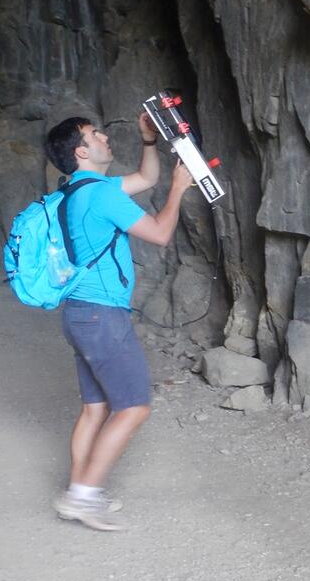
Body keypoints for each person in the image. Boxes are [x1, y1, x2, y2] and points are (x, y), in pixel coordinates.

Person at [43, 112, 196, 531]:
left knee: (96, 408)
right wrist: (179, 189)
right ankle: (84, 496)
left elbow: (145, 179)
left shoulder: (81, 188)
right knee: (133, 407)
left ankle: (79, 490)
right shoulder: (103, 196)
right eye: (96, 135)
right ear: (81, 150)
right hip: (102, 315)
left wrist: (150, 142)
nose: (106, 137)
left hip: (79, 313)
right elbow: (161, 233)